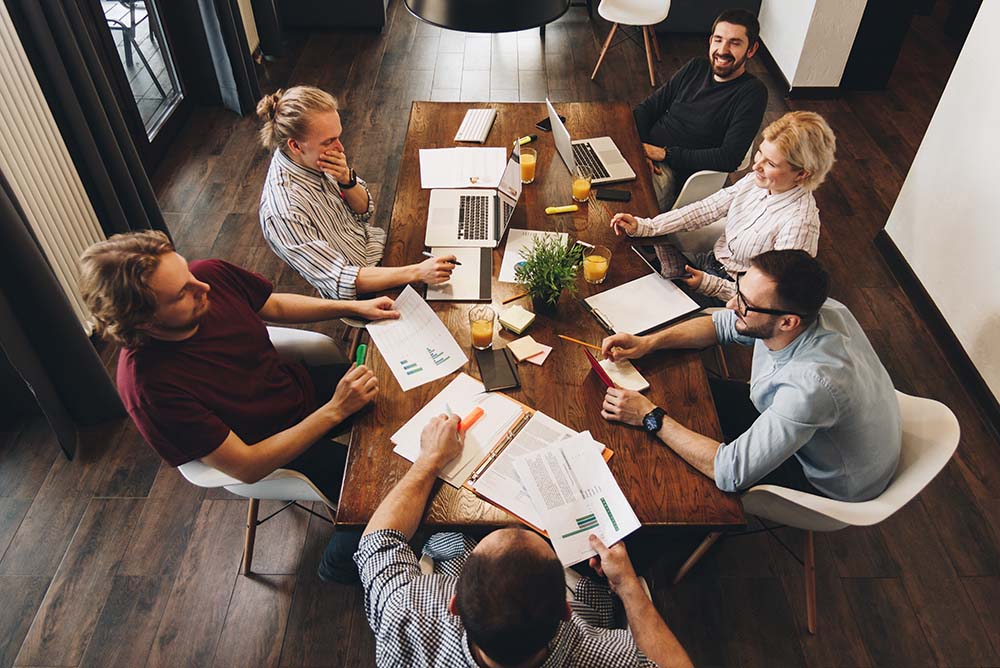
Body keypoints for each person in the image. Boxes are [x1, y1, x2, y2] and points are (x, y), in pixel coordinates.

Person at [78, 230, 398, 582]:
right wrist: (335, 410)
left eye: (189, 274)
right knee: (385, 491)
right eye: (184, 292)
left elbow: (271, 304)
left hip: (295, 390)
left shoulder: (207, 275)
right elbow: (247, 466)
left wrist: (352, 306)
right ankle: (338, 565)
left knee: (402, 395)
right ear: (144, 323)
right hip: (272, 450)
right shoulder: (149, 388)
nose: (205, 288)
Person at [354, 414, 693, 667]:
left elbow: (377, 541)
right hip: (597, 596)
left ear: (455, 604)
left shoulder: (408, 612)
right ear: (564, 611)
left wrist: (429, 459)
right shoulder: (602, 655)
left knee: (447, 536)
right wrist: (628, 585)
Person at [600, 250, 900, 502]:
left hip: (827, 480)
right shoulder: (815, 310)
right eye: (738, 291)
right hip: (825, 425)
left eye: (745, 304)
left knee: (682, 480)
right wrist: (648, 343)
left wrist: (650, 417)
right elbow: (720, 325)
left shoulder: (810, 388)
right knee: (684, 394)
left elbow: (728, 472)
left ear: (787, 322)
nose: (732, 305)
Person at [612, 111, 836, 303]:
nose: (756, 166)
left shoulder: (799, 224)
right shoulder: (756, 182)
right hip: (706, 264)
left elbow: (773, 298)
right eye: (760, 153)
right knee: (628, 265)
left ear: (802, 174)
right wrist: (644, 226)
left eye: (771, 163)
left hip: (730, 295)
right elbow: (705, 210)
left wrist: (711, 285)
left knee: (637, 299)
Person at [257, 86, 457, 300]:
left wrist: (346, 180)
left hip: (379, 248)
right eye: (329, 141)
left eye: (338, 137)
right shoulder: (282, 212)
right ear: (295, 145)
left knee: (457, 236)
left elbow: (364, 211)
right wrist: (418, 271)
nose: (341, 148)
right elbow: (342, 280)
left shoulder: (316, 159)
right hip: (366, 293)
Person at [633, 8, 768, 210]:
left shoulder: (752, 93)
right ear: (710, 40)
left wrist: (664, 154)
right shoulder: (696, 67)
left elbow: (729, 158)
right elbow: (646, 109)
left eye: (735, 43)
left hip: (673, 173)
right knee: (588, 170)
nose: (723, 50)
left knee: (621, 203)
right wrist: (641, 150)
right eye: (718, 39)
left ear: (751, 49)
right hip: (644, 152)